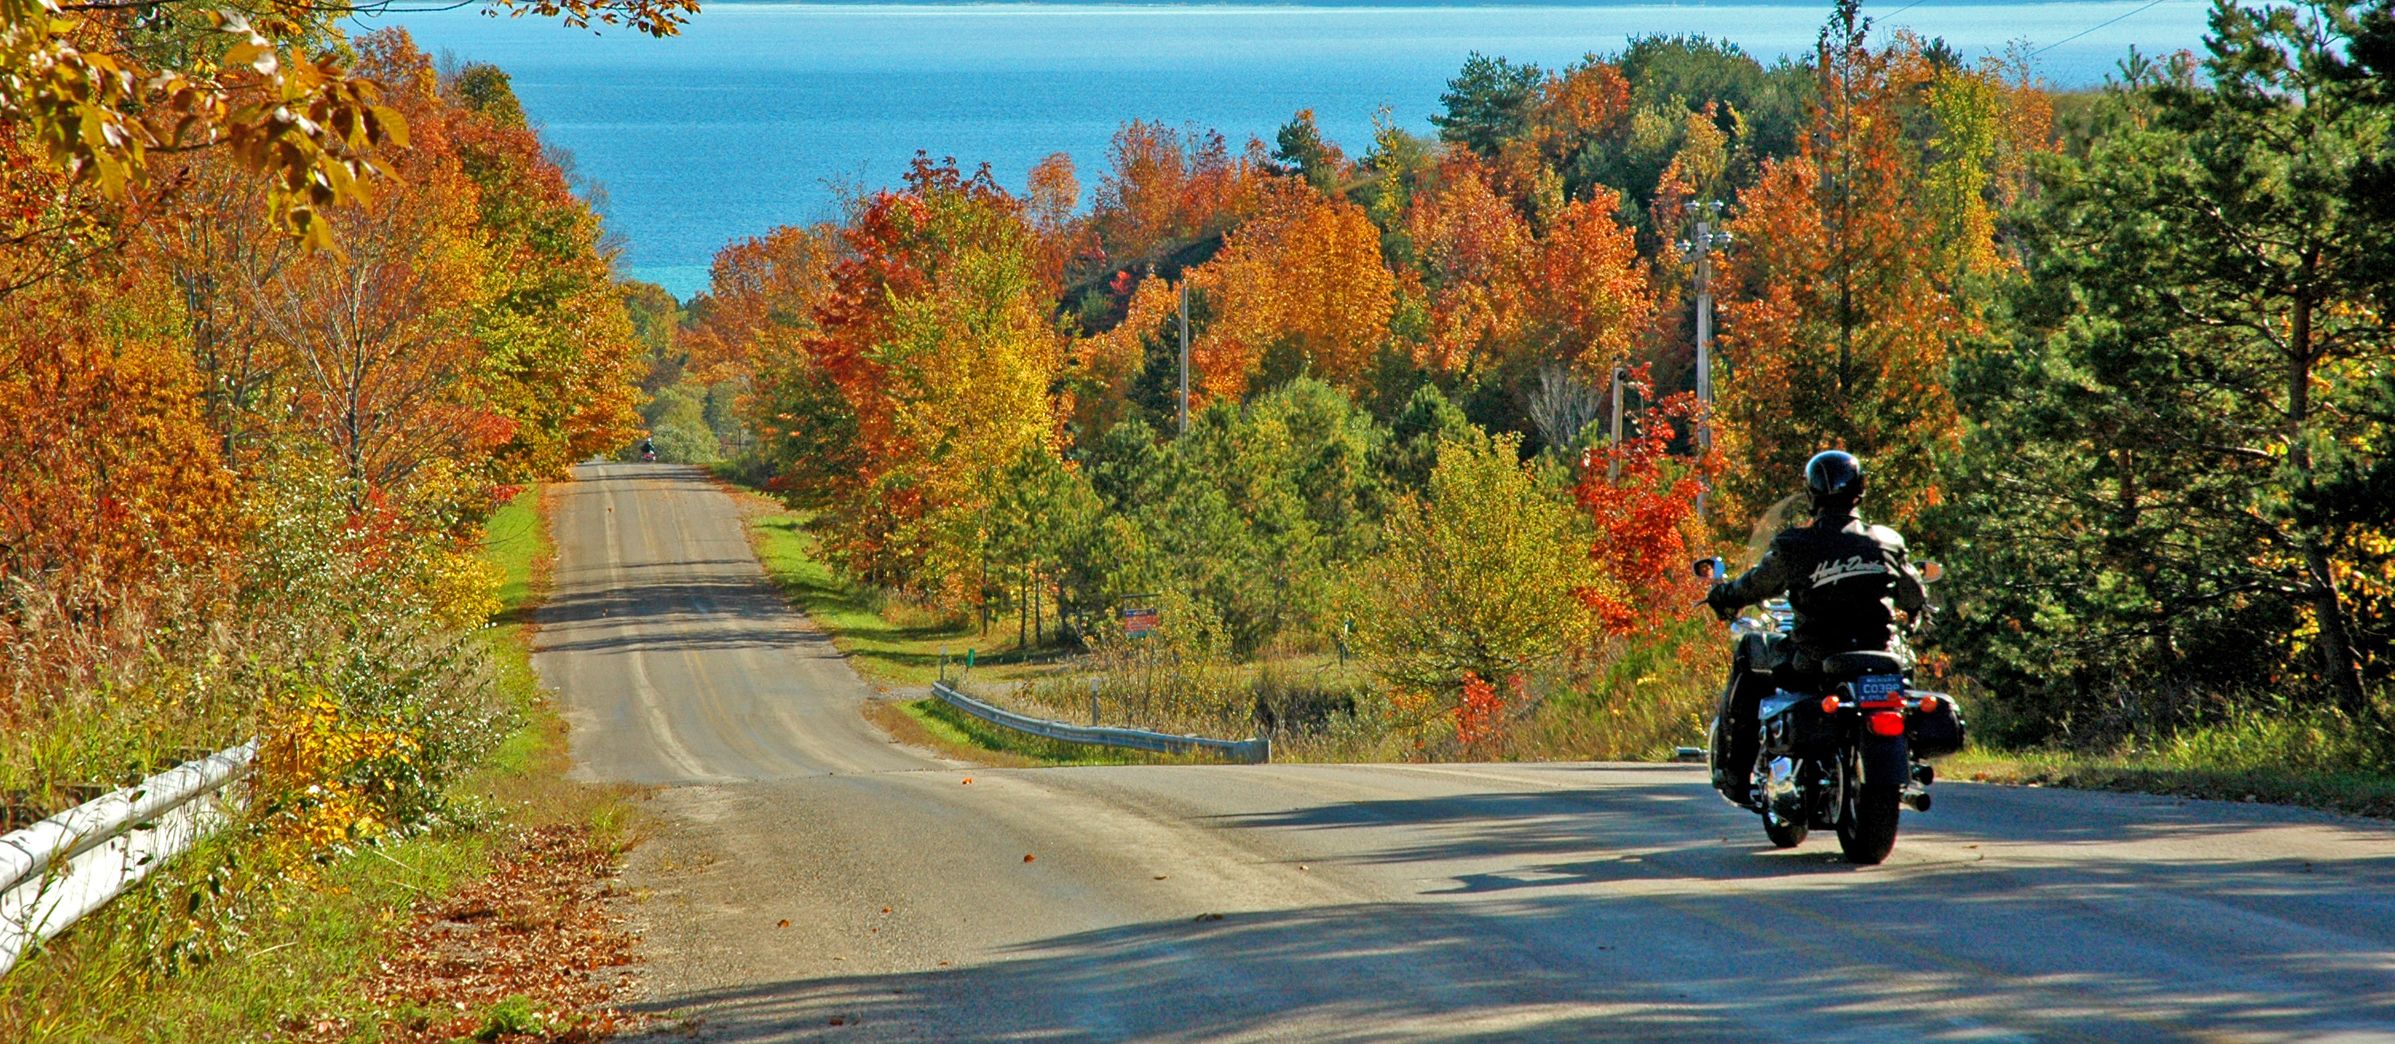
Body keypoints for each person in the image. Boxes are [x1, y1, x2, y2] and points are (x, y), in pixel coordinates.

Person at [1702, 449, 1929, 804]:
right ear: (1860, 490)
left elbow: (1757, 585)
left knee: (1749, 650)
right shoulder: (1887, 541)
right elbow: (1912, 592)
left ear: (1812, 493)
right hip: (1878, 652)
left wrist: (1723, 595)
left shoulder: (1797, 544)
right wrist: (1917, 611)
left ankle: (1737, 772)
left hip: (1815, 656)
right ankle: (1906, 760)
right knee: (1904, 675)